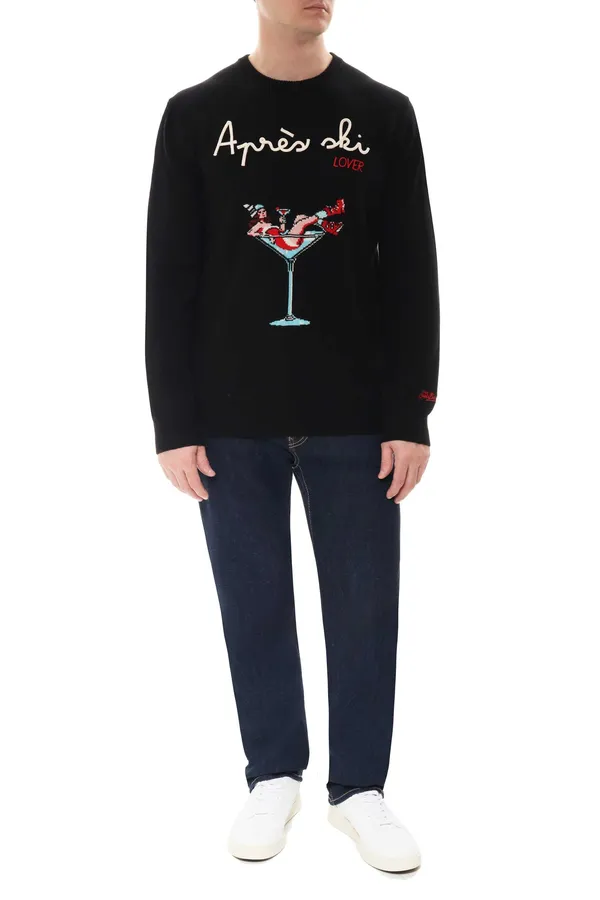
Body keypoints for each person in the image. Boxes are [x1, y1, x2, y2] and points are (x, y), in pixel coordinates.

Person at [145, 0, 440, 874]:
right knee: (254, 600)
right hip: (229, 418)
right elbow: (170, 273)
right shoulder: (196, 116)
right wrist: (173, 420)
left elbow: (412, 271)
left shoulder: (382, 114)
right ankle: (273, 774)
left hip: (357, 415)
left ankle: (361, 790)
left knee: (365, 606)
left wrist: (412, 412)